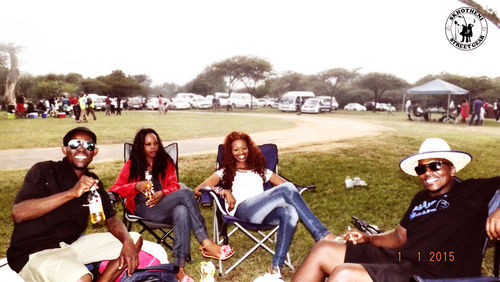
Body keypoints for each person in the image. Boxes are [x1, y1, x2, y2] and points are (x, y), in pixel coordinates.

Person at [292, 138, 500, 282]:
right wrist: (368, 238)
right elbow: (400, 235)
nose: (428, 173)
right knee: (324, 249)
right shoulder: (420, 198)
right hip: (403, 259)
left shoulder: (473, 190)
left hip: (435, 272)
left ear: (452, 168)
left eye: (435, 166)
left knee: (344, 275)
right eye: (421, 168)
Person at [7, 127, 142, 282]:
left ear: (95, 152)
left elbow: (111, 219)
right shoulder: (44, 170)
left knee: (134, 239)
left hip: (70, 245)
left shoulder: (92, 180)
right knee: (82, 278)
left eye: (88, 146)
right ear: (64, 149)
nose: (82, 149)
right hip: (34, 252)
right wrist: (72, 192)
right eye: (75, 144)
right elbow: (19, 213)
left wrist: (127, 242)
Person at [194, 131, 335, 277]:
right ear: (230, 152)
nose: (241, 152)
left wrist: (294, 192)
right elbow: (198, 190)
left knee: (290, 211)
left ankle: (276, 268)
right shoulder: (224, 172)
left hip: (262, 214)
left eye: (244, 148)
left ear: (249, 149)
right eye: (236, 149)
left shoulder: (261, 170)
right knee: (286, 189)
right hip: (242, 211)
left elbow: (289, 187)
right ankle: (322, 234)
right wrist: (224, 191)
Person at [110, 128, 233, 282]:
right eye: (148, 144)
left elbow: (174, 185)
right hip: (142, 208)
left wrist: (162, 194)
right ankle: (205, 241)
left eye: (155, 143)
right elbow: (115, 190)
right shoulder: (131, 165)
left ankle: (178, 268)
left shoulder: (165, 161)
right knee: (186, 193)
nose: (153, 147)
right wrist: (135, 186)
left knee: (181, 210)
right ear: (141, 147)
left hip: (164, 204)